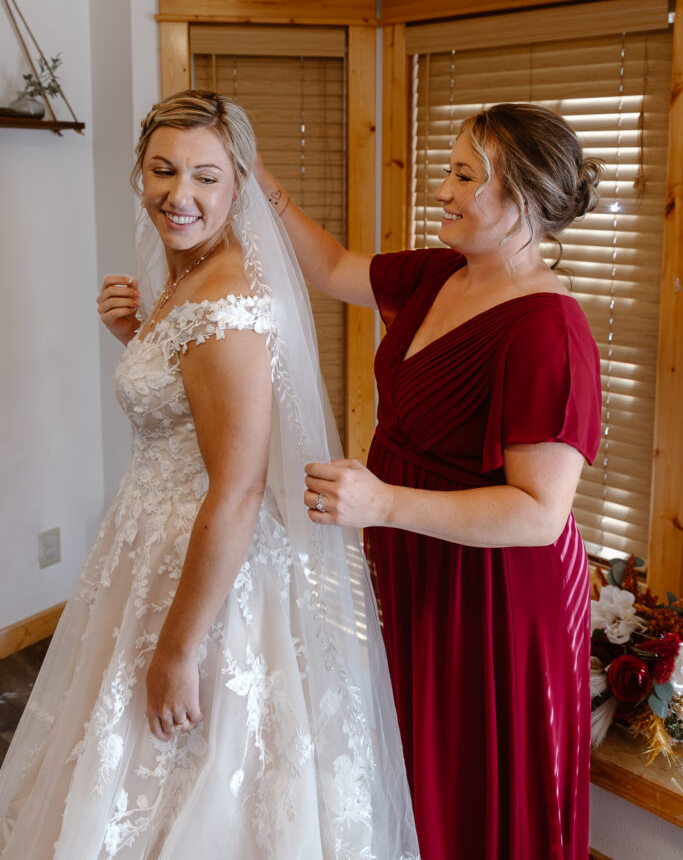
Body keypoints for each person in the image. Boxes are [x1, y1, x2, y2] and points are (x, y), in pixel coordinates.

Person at [0, 90, 419, 859]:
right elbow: (188, 418)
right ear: (140, 174)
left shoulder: (228, 301)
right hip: (153, 547)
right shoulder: (188, 274)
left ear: (239, 189)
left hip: (207, 572)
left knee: (200, 776)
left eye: (205, 177)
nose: (179, 195)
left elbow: (238, 488)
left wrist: (178, 651)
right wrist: (139, 336)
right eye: (163, 171)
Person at [253, 103, 603, 860]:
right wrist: (254, 175)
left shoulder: (549, 333)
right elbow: (331, 266)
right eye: (448, 170)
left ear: (524, 204)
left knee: (475, 783)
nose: (440, 191)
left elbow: (540, 513)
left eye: (463, 177)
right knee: (408, 760)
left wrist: (381, 501)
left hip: (496, 597)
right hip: (415, 562)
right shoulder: (441, 271)